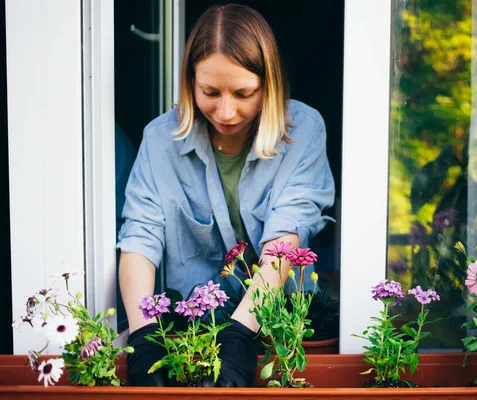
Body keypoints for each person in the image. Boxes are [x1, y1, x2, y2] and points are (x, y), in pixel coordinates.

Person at [117, 4, 335, 387]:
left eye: (243, 93)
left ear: (269, 84)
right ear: (190, 82)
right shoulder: (159, 140)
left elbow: (285, 237)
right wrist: (143, 334)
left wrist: (239, 333)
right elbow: (140, 235)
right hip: (192, 329)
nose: (227, 111)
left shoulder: (304, 130)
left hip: (283, 330)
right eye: (210, 92)